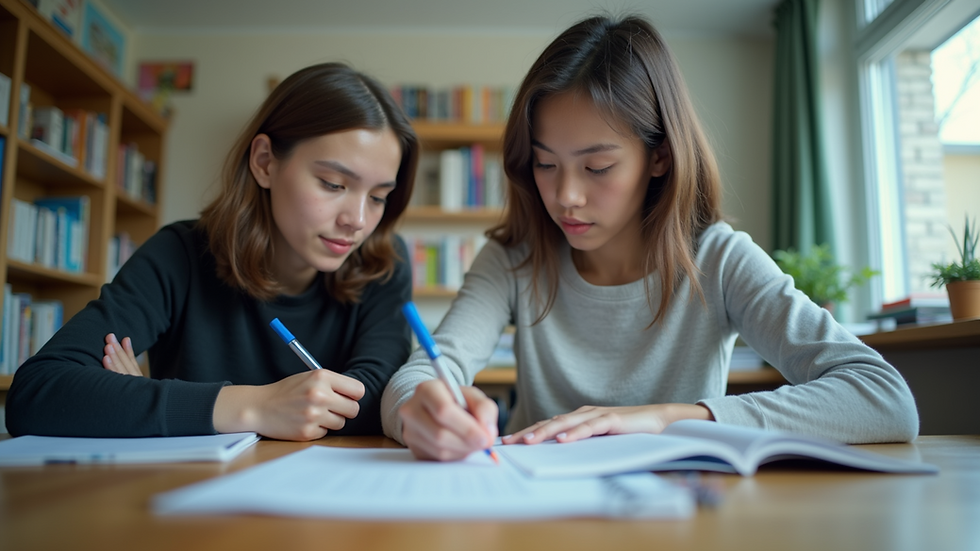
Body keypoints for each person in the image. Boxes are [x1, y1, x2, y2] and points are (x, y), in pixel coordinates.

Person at [380, 15, 919, 461]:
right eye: (546, 164)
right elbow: (430, 368)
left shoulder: (719, 258)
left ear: (659, 156)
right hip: (537, 507)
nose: (565, 195)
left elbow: (884, 398)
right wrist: (420, 408)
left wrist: (670, 418)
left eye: (597, 168)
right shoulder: (514, 259)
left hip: (683, 513)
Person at [7, 62, 418, 441]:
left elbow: (379, 402)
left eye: (379, 197)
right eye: (333, 183)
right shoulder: (180, 255)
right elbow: (39, 392)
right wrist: (254, 407)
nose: (359, 220)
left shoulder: (383, 264)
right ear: (264, 162)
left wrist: (144, 397)